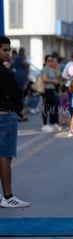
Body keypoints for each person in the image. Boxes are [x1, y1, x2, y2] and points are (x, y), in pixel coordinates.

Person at [0, 35, 30, 208]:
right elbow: (16, 91)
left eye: (8, 50)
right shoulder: (4, 72)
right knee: (5, 156)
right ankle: (8, 196)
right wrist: (17, 108)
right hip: (5, 116)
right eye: (4, 50)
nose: (7, 53)